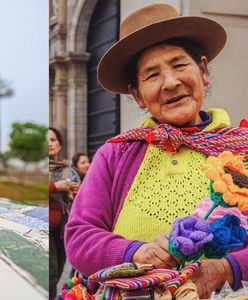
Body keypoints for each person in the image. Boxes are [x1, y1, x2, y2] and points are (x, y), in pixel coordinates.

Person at [64, 4, 248, 299]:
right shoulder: (116, 154)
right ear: (137, 95)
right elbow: (79, 237)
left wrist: (225, 268)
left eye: (179, 65)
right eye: (151, 75)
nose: (171, 82)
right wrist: (137, 252)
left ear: (202, 71)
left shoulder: (242, 148)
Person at [49, 127, 79, 300]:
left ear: (59, 145)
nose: (49, 143)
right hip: (41, 227)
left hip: (62, 228)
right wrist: (55, 187)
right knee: (50, 273)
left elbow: (78, 197)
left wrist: (76, 190)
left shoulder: (67, 169)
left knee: (59, 271)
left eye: (53, 140)